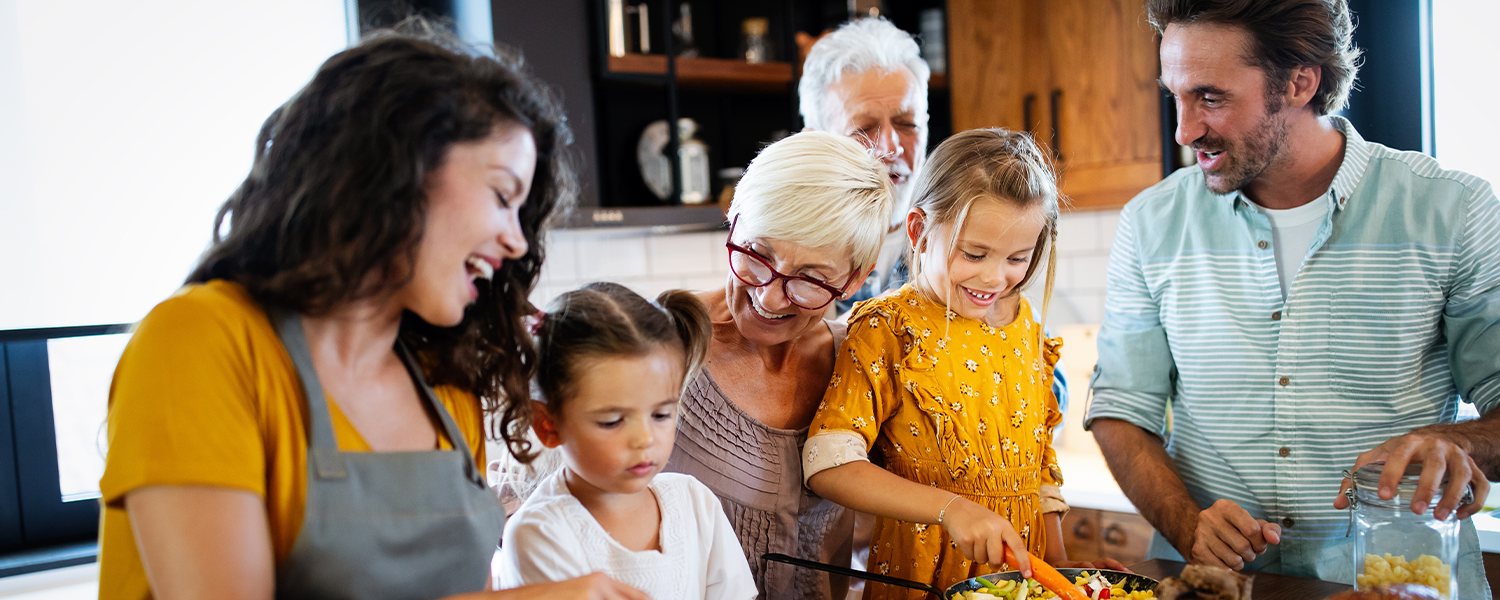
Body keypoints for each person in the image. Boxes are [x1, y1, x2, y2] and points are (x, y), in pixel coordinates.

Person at [99, 25, 649, 600]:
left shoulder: (446, 384)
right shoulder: (200, 342)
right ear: (394, 168)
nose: (515, 242)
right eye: (502, 196)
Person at [1085, 1, 1498, 597]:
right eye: (1175, 95)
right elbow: (1122, 409)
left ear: (1300, 82)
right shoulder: (1151, 223)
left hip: (1400, 585)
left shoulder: (1453, 209)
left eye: (1210, 96)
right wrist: (1186, 524)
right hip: (1218, 587)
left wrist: (1456, 442)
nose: (1183, 129)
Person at [803, 129, 1123, 600]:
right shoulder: (888, 328)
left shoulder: (1026, 327)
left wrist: (1057, 565)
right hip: (920, 583)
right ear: (918, 230)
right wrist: (949, 508)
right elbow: (827, 463)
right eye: (974, 254)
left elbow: (1038, 464)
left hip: (1020, 584)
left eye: (1018, 257)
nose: (994, 277)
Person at [662, 130, 894, 600]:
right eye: (757, 254)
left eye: (810, 279)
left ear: (855, 279)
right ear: (733, 222)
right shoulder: (658, 339)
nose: (767, 296)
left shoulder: (860, 360)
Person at [498, 283, 755, 599]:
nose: (645, 439)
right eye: (612, 421)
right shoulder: (540, 534)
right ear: (547, 425)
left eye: (661, 415)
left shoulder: (694, 502)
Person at [798, 17, 928, 312]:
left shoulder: (963, 247)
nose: (891, 148)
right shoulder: (787, 260)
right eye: (864, 129)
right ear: (816, 142)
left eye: (908, 123)